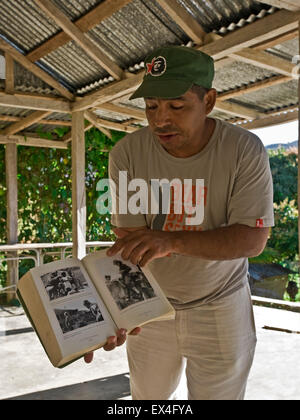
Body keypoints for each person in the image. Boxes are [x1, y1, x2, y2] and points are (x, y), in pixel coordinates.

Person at [85, 46, 274, 400]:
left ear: (210, 101)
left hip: (221, 304)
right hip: (152, 306)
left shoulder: (245, 150)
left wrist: (170, 241)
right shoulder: (124, 154)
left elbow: (252, 239)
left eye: (177, 105)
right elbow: (131, 244)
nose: (160, 120)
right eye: (151, 106)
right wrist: (105, 313)